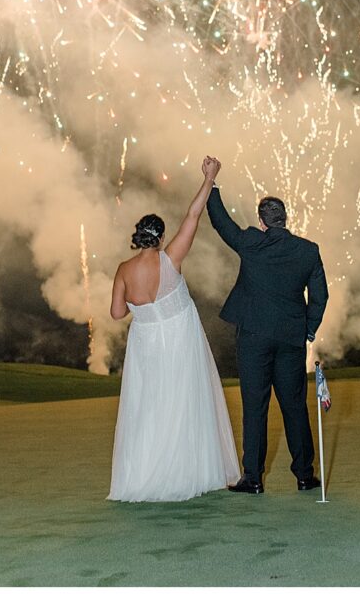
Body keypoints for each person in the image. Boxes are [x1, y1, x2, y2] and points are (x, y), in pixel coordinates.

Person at [108, 158, 240, 502]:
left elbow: (116, 312)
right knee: (184, 402)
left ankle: (144, 475)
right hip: (181, 340)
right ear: (161, 236)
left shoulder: (124, 269)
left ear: (138, 237)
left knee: (148, 407)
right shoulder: (171, 259)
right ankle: (187, 472)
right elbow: (193, 216)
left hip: (146, 344)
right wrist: (209, 178)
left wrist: (141, 306)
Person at [206, 161, 328, 494]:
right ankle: (304, 475)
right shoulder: (308, 250)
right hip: (291, 338)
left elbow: (221, 223)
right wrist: (309, 329)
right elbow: (320, 295)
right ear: (285, 220)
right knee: (294, 406)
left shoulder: (251, 242)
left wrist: (211, 183)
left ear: (261, 222)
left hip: (254, 337)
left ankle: (254, 478)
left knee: (255, 406)